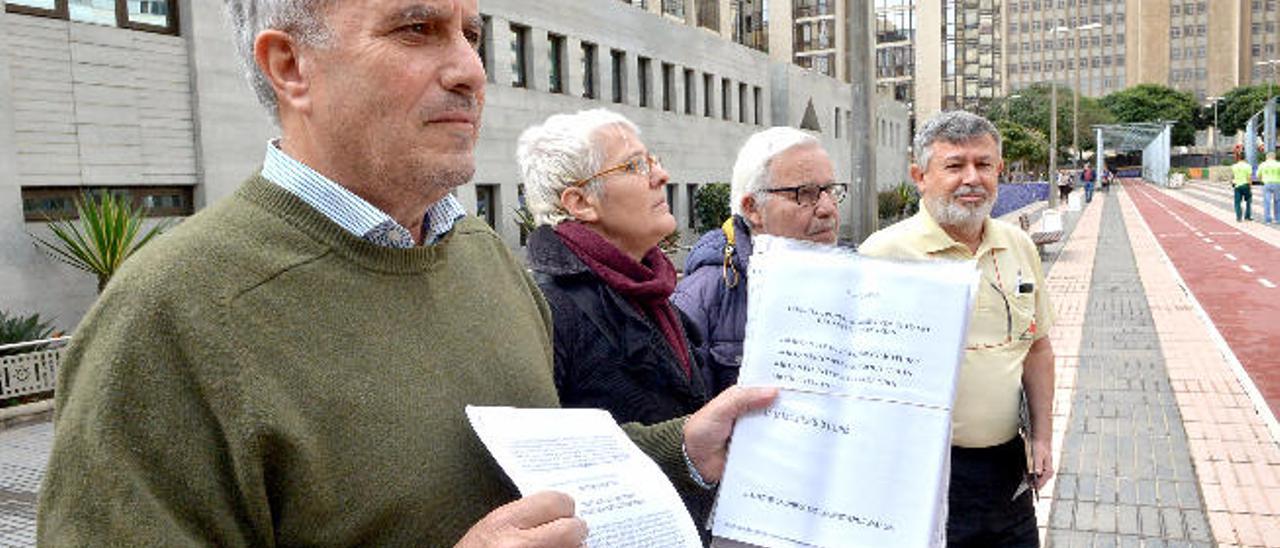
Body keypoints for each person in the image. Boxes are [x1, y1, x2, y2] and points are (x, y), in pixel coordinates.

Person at [36, 1, 775, 545]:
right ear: (291, 66)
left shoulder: (486, 258)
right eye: (416, 29)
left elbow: (545, 480)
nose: (470, 70)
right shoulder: (168, 315)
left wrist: (683, 448)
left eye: (471, 34)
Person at [859, 110, 1056, 548]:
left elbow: (1038, 348)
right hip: (922, 472)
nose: (972, 178)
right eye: (954, 166)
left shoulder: (1018, 245)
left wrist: (1042, 436)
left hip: (1007, 465)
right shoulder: (883, 254)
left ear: (999, 170)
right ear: (920, 175)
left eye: (984, 164)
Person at [516, 109, 714, 528]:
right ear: (580, 202)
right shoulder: (549, 308)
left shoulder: (647, 286)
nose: (661, 174)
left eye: (653, 159)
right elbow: (540, 462)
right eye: (635, 165)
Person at [673, 127, 843, 396]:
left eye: (830, 190)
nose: (827, 208)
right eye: (805, 193)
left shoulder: (860, 285)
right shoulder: (699, 300)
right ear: (753, 209)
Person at [1231, 154, 1254, 222]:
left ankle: (1239, 217)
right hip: (1246, 185)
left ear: (1238, 158)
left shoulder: (1234, 166)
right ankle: (1247, 216)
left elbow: (1233, 176)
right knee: (1248, 201)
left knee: (1237, 202)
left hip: (1237, 186)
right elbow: (1249, 177)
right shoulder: (1248, 166)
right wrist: (1250, 186)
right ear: (1245, 158)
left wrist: (1233, 182)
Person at [1259, 152, 1280, 224]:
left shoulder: (1263, 164)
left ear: (1267, 157)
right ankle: (1278, 219)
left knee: (1267, 201)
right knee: (1277, 201)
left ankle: (1268, 219)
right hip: (1277, 183)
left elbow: (1258, 174)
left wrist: (1262, 180)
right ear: (1274, 157)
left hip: (1266, 183)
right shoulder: (1278, 164)